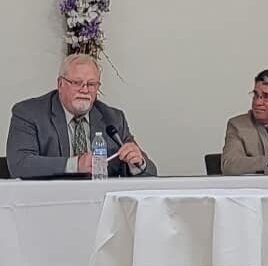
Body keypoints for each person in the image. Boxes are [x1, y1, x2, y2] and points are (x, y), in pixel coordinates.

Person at [6, 53, 157, 178]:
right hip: (48, 201)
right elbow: (20, 164)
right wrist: (75, 165)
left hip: (100, 202)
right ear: (60, 84)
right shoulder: (29, 113)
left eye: (91, 84)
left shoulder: (113, 118)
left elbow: (151, 173)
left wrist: (137, 164)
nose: (84, 90)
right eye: (77, 83)